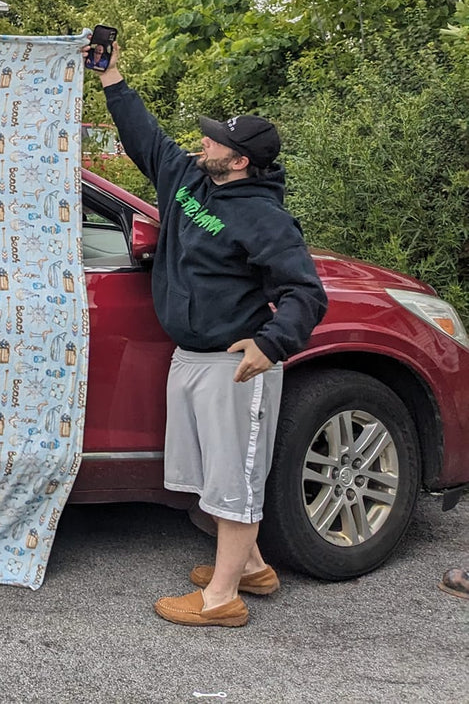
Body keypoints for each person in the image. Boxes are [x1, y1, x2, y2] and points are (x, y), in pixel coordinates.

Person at [90, 37, 327, 628]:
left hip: (233, 366)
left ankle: (222, 600)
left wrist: (271, 344)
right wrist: (112, 78)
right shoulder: (189, 181)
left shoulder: (265, 218)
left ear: (240, 160)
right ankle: (252, 568)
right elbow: (146, 138)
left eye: (216, 141)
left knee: (234, 481)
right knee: (205, 476)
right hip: (190, 355)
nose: (204, 143)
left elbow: (305, 292)